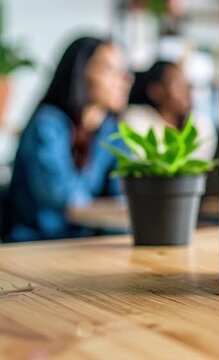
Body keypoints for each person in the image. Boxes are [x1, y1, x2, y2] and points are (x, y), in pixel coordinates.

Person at [2, 37, 132, 242]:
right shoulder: (47, 124)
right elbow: (63, 196)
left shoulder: (110, 130)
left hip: (84, 245)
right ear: (81, 73)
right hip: (35, 246)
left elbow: (125, 192)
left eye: (125, 71)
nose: (125, 79)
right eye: (111, 70)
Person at [122, 61, 216, 160]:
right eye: (178, 85)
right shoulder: (136, 118)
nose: (187, 91)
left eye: (187, 84)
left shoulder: (201, 126)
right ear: (155, 91)